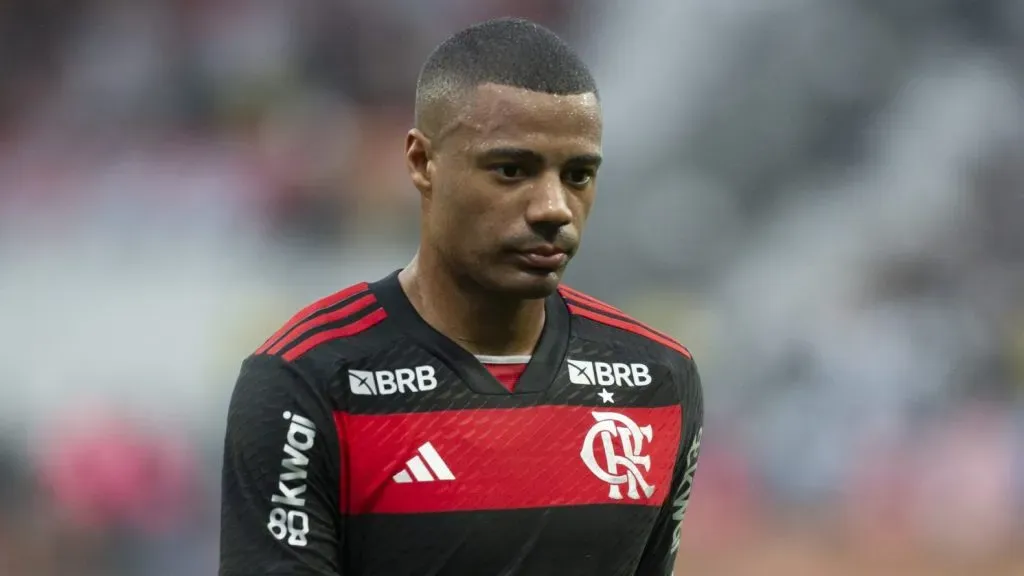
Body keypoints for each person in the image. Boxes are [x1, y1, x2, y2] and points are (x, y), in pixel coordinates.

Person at [219, 17, 703, 576]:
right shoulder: (309, 379)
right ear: (422, 162)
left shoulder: (657, 381)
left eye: (577, 175)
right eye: (512, 170)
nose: (554, 207)